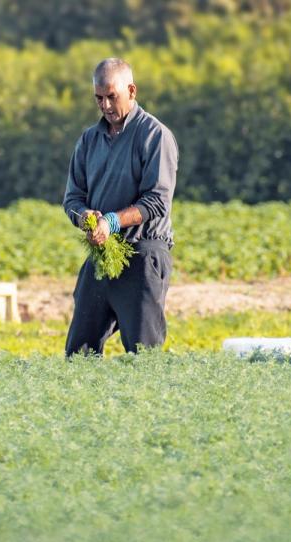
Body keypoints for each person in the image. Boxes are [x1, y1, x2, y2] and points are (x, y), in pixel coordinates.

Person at [63, 57, 179, 356]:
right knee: (79, 352)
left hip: (143, 252)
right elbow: (72, 198)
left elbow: (156, 200)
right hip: (102, 255)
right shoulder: (89, 140)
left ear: (132, 90)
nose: (105, 105)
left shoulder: (154, 136)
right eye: (98, 98)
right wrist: (85, 217)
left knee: (143, 355)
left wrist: (111, 222)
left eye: (111, 96)